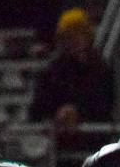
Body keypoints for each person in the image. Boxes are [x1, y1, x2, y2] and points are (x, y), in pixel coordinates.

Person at [29, 8, 114, 148]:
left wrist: (79, 113)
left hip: (93, 141)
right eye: (68, 36)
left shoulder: (101, 69)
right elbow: (37, 109)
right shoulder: (52, 71)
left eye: (79, 34)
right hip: (60, 147)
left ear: (88, 36)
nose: (74, 40)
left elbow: (105, 105)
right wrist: (57, 114)